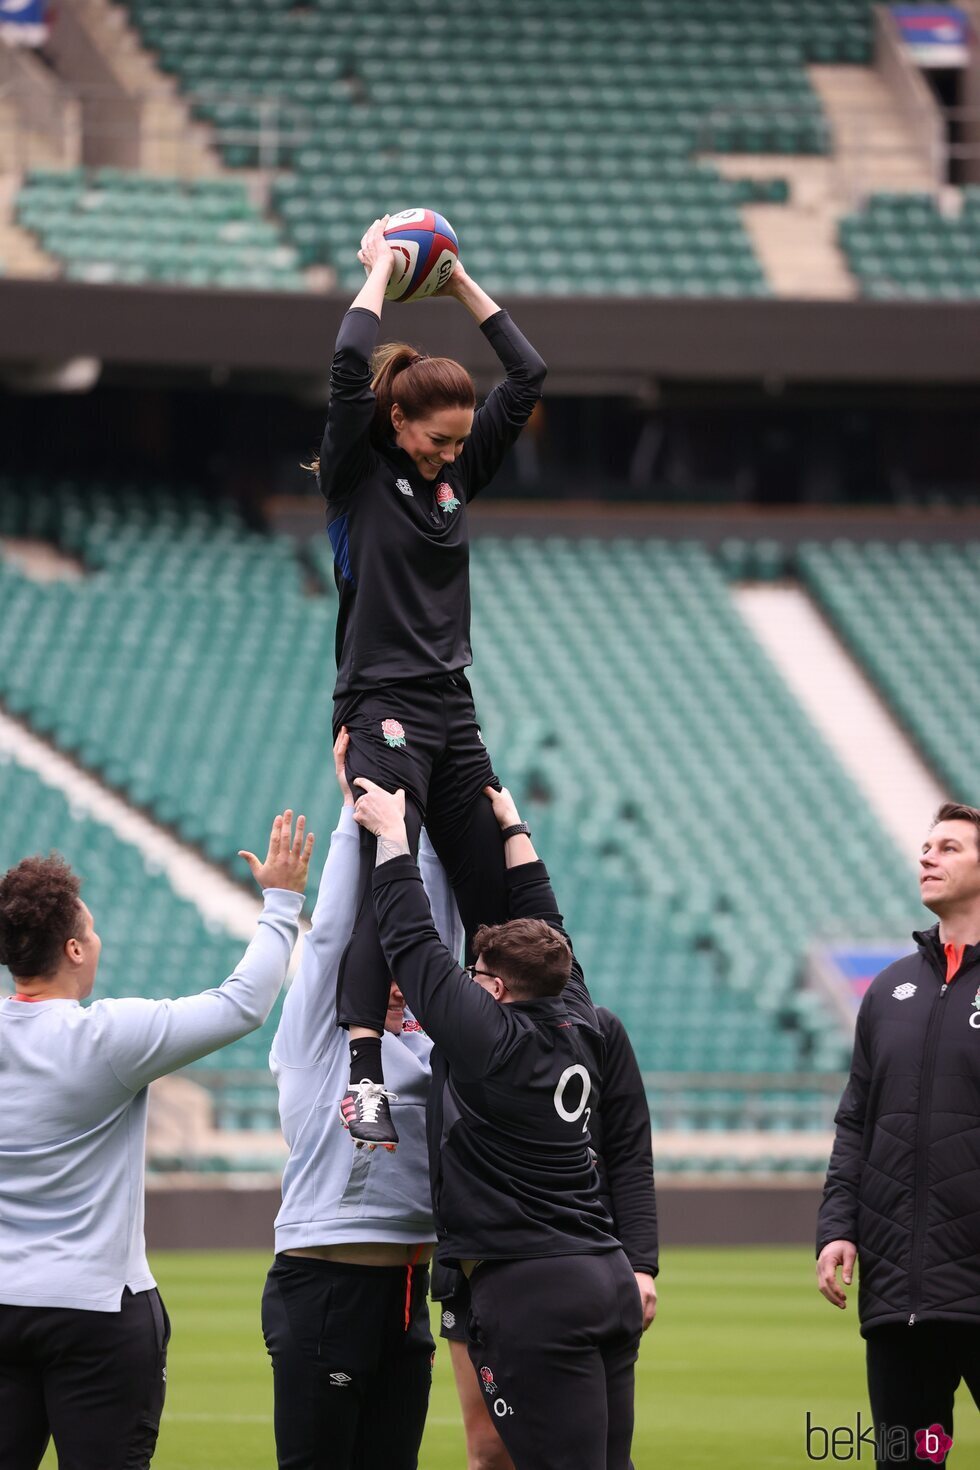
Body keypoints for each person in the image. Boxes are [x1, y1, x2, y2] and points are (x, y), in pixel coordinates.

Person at [313, 214, 547, 1148]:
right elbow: (343, 372)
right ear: (398, 422)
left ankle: (515, 1053)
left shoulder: (450, 484)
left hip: (454, 709)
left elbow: (527, 377)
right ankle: (364, 1073)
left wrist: (456, 283)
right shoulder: (354, 474)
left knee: (494, 895)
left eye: (461, 443)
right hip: (381, 706)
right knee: (393, 863)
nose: (454, 455)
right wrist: (380, 272)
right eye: (438, 439)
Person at [0, 808, 313, 1470]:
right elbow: (242, 1005)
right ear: (74, 950)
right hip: (96, 1310)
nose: (99, 937)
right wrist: (282, 901)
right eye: (92, 928)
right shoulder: (104, 1039)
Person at [352, 773, 644, 1470]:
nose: (470, 981)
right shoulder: (579, 1015)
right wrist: (513, 830)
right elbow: (551, 926)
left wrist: (393, 841)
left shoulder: (495, 1041)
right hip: (603, 1274)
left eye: (479, 975)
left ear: (498, 990)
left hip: (533, 1290)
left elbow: (416, 945)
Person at [262, 732, 463, 1470]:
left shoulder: (433, 1041)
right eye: (388, 966)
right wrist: (359, 807)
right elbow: (334, 935)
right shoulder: (321, 1040)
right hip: (328, 1287)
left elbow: (435, 928)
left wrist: (419, 819)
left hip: (412, 1290)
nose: (402, 974)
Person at [816, 801, 980, 1469]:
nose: (927, 857)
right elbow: (856, 1119)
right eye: (926, 846)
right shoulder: (888, 991)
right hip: (901, 1297)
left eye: (949, 848)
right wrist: (837, 1226)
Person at [432, 1003, 659, 1470]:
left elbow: (630, 1152)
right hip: (477, 1255)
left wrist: (641, 1265)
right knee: (489, 1449)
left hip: (579, 1258)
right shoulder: (464, 1030)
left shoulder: (600, 1029)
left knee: (589, 1447)